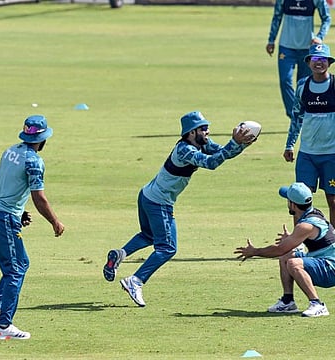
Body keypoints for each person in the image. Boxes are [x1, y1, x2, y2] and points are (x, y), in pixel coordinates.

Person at [103, 111, 255, 307]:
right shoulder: (185, 150)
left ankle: (119, 254)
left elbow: (223, 152)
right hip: (159, 202)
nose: (208, 131)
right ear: (192, 132)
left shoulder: (200, 143)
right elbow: (211, 163)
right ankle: (136, 280)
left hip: (147, 195)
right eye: (203, 128)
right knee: (167, 248)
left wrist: (241, 143)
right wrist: (235, 143)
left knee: (149, 235)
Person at [0, 114, 64, 340]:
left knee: (19, 264)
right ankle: (4, 326)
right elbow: (39, 198)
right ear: (43, 139)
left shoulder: (10, 151)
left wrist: (19, 211)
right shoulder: (34, 161)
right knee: (16, 269)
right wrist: (54, 221)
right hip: (4, 218)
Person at [235, 182, 335, 317]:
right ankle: (288, 301)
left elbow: (279, 249)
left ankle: (317, 304)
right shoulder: (312, 214)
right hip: (325, 261)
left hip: (331, 269)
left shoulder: (306, 225)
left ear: (293, 205)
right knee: (286, 257)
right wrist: (292, 238)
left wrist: (255, 251)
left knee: (294, 263)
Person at [283, 43, 335, 227]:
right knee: (299, 201)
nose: (318, 63)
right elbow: (297, 116)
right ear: (308, 62)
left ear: (329, 63)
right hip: (307, 154)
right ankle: (298, 246)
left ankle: (333, 246)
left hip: (332, 154)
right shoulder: (302, 85)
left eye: (322, 59)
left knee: (333, 200)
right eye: (314, 59)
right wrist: (290, 145)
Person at [266, 0, 331, 120]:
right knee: (285, 80)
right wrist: (271, 40)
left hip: (307, 49)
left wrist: (319, 36)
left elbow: (327, 18)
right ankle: (295, 116)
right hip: (286, 47)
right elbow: (277, 16)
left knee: (304, 84)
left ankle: (305, 114)